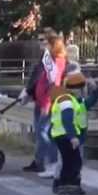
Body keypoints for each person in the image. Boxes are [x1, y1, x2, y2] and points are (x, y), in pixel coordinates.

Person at [20, 33, 74, 178]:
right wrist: (30, 92)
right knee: (41, 133)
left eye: (45, 43)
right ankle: (41, 162)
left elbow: (54, 84)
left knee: (46, 133)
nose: (42, 45)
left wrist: (47, 104)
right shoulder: (47, 59)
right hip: (40, 100)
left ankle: (52, 163)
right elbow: (39, 79)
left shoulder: (58, 61)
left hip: (49, 103)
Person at [50, 72, 98, 195]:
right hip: (65, 137)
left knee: (73, 162)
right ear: (77, 89)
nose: (84, 92)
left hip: (66, 136)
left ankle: (69, 187)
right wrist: (72, 137)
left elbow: (90, 102)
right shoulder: (66, 100)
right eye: (83, 89)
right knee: (70, 163)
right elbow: (67, 120)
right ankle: (66, 188)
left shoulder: (75, 101)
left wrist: (95, 90)